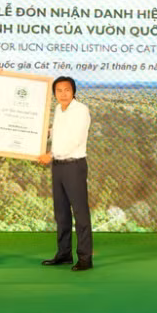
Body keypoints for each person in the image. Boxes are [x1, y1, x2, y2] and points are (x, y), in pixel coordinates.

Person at [38, 76, 94, 271]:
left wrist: (51, 154)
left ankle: (85, 258)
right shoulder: (58, 110)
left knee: (80, 213)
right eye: (59, 90)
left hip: (74, 166)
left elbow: (75, 140)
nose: (63, 93)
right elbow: (61, 132)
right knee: (61, 213)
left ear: (73, 91)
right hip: (59, 167)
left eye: (67, 90)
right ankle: (64, 254)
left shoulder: (81, 110)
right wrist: (47, 133)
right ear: (54, 93)